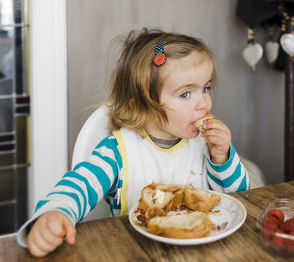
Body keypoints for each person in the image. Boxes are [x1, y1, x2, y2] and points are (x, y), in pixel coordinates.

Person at [16, 28, 250, 257]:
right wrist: (54, 213)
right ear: (141, 106)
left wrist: (222, 157)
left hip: (203, 251)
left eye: (206, 88)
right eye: (186, 94)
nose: (203, 104)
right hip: (134, 252)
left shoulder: (203, 145)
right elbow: (79, 185)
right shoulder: (118, 151)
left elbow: (239, 200)